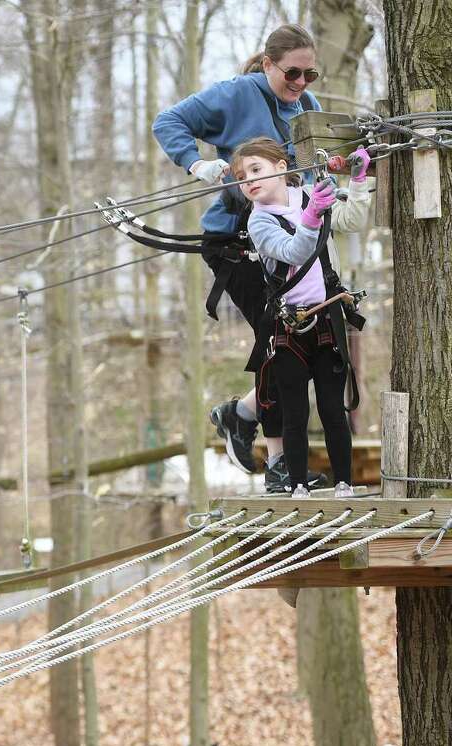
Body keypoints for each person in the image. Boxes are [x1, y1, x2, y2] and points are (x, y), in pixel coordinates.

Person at [153, 23, 350, 492]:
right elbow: (168, 122)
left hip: (287, 248)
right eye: (292, 73)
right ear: (268, 65)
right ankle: (280, 460)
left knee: (296, 337)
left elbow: (316, 181)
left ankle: (240, 413)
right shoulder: (237, 94)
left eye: (310, 75)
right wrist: (198, 162)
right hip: (236, 242)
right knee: (277, 338)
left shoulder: (308, 112)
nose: (301, 84)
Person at [231, 136, 370, 497]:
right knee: (295, 413)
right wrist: (311, 217)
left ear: (281, 168)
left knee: (331, 409)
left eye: (256, 169)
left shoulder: (310, 195)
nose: (249, 180)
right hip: (288, 326)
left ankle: (344, 484)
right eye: (242, 177)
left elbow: (352, 219)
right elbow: (293, 251)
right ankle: (296, 486)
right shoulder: (260, 222)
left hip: (326, 319)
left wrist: (356, 181)